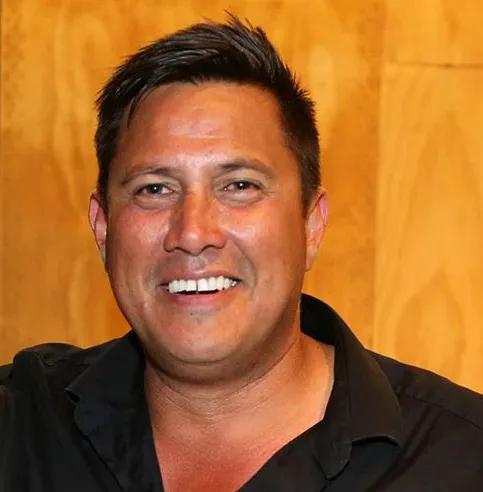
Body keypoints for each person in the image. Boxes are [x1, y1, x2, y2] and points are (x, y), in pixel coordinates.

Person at [1, 15, 482, 492]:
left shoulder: (462, 461)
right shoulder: (20, 428)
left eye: (239, 186)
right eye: (154, 189)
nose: (193, 233)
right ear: (103, 228)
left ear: (311, 224)